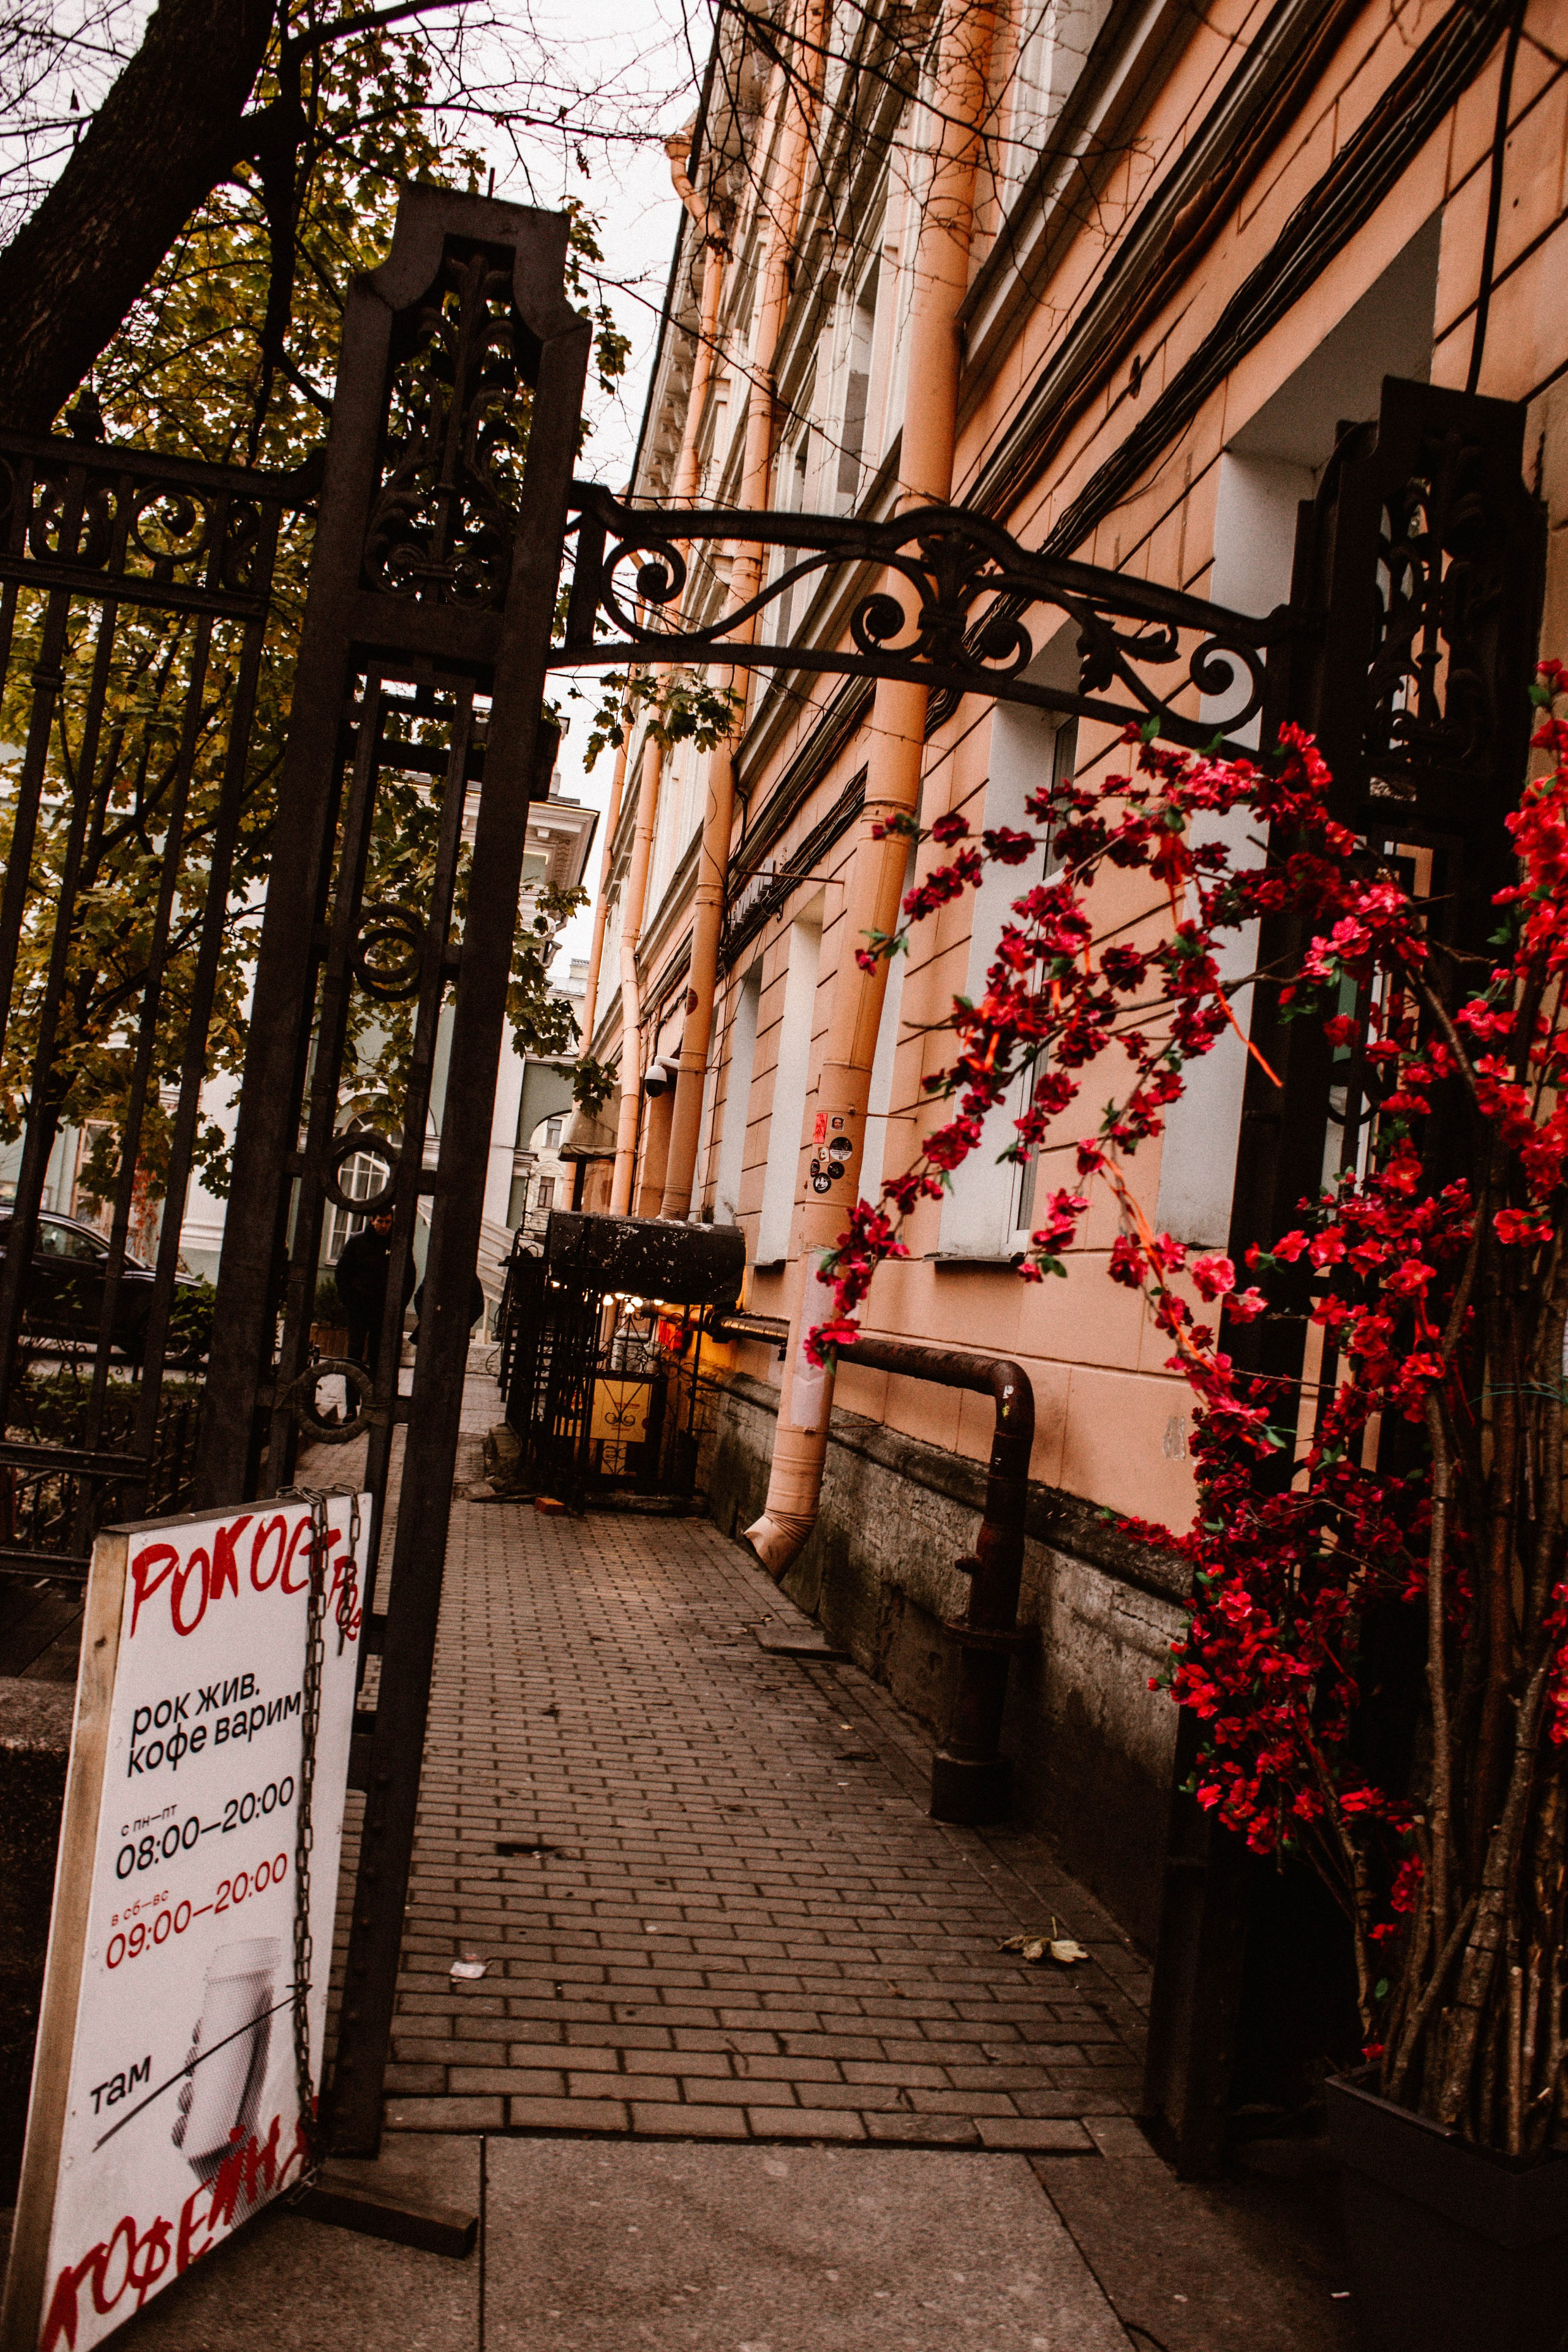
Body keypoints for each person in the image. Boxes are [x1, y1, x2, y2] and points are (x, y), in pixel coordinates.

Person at [333, 1208, 416, 1366]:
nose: (384, 1226)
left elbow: (409, 1276)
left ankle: (373, 1389)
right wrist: (348, 1299)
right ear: (372, 1221)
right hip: (359, 1307)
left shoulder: (398, 1245)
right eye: (380, 1221)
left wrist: (399, 1304)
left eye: (387, 1222)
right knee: (355, 1352)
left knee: (377, 1354)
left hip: (383, 1309)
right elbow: (342, 1271)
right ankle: (352, 1390)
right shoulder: (357, 1242)